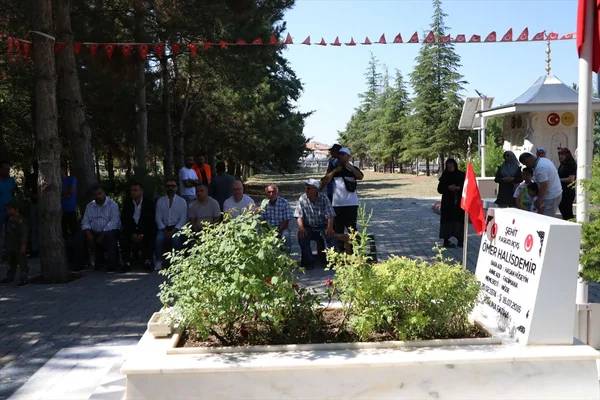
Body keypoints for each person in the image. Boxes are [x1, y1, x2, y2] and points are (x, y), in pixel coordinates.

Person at [321, 147, 363, 251]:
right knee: (338, 229)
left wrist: (350, 167)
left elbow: (360, 176)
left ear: (348, 157)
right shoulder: (335, 168)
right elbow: (325, 181)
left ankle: (355, 251)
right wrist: (335, 171)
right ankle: (340, 251)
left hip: (351, 204)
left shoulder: (352, 168)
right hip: (337, 204)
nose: (341, 156)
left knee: (352, 229)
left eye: (344, 155)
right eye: (340, 154)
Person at [294, 179, 336, 269]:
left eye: (309, 188)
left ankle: (331, 261)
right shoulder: (302, 198)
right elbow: (298, 215)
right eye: (306, 188)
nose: (306, 190)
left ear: (316, 189)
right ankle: (308, 262)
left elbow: (330, 214)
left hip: (322, 226)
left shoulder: (323, 198)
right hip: (308, 226)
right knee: (301, 235)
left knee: (331, 235)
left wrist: (329, 227)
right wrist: (301, 227)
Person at [81, 186, 121, 271]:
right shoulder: (90, 206)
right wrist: (88, 233)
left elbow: (114, 222)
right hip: (93, 232)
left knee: (110, 236)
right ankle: (80, 264)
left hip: (109, 231)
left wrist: (103, 234)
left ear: (104, 193)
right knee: (80, 237)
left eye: (100, 194)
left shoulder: (113, 205)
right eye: (95, 195)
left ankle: (112, 265)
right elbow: (85, 221)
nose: (98, 196)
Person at [121, 181, 156, 271]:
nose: (133, 192)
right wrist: (132, 233)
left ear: (141, 191)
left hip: (144, 230)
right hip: (131, 230)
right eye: (132, 190)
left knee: (150, 235)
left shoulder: (149, 203)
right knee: (123, 237)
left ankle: (147, 261)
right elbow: (125, 220)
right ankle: (126, 262)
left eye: (135, 190)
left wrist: (142, 233)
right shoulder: (127, 203)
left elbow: (150, 220)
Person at [155, 178, 188, 268]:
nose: (170, 188)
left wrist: (174, 230)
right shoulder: (160, 201)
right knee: (159, 239)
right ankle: (158, 261)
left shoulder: (182, 201)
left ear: (176, 188)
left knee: (176, 239)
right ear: (165, 188)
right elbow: (158, 217)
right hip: (163, 228)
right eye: (168, 186)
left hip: (176, 228)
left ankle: (177, 262)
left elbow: (183, 218)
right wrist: (164, 229)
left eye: (173, 186)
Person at [519, 152, 562, 217]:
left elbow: (544, 186)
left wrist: (539, 200)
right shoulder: (543, 160)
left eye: (526, 163)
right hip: (554, 192)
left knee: (546, 218)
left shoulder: (540, 168)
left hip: (551, 196)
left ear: (530, 159)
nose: (527, 166)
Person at [437, 159, 465, 248]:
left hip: (458, 203)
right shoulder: (445, 175)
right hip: (447, 203)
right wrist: (448, 187)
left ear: (454, 165)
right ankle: (446, 241)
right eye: (448, 166)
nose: (450, 167)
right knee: (447, 221)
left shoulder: (461, 175)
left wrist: (458, 188)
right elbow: (439, 189)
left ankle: (460, 241)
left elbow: (465, 187)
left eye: (451, 166)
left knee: (459, 221)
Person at [0, 201, 28, 286]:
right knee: (11, 262)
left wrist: (23, 245)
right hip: (10, 245)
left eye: (9, 209)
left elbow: (24, 233)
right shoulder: (9, 219)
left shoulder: (20, 220)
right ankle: (10, 276)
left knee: (22, 261)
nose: (7, 211)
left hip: (18, 244)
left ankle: (24, 278)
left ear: (16, 210)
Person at [260, 184, 292, 251]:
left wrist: (278, 231)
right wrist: (268, 231)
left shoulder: (284, 203)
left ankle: (287, 255)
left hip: (282, 228)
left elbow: (286, 220)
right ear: (266, 193)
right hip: (268, 229)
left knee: (286, 235)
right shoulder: (264, 203)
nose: (271, 194)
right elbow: (262, 219)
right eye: (269, 192)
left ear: (277, 193)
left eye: (273, 191)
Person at [0, 161, 17, 258]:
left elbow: (15, 193)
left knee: (11, 233)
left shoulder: (11, 181)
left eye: (9, 170)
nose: (7, 171)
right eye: (5, 169)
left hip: (10, 211)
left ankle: (9, 255)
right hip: (0, 210)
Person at [557, 147, 577, 220]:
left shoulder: (571, 164)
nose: (560, 156)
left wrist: (558, 180)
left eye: (562, 154)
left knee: (567, 212)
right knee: (563, 210)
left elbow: (571, 179)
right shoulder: (562, 164)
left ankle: (571, 227)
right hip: (562, 191)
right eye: (559, 154)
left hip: (568, 192)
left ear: (567, 155)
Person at [61, 165, 78, 239]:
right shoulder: (58, 181)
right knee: (63, 233)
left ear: (64, 170)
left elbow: (70, 192)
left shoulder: (72, 179)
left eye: (60, 169)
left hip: (71, 210)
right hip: (61, 212)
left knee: (74, 232)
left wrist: (61, 194)